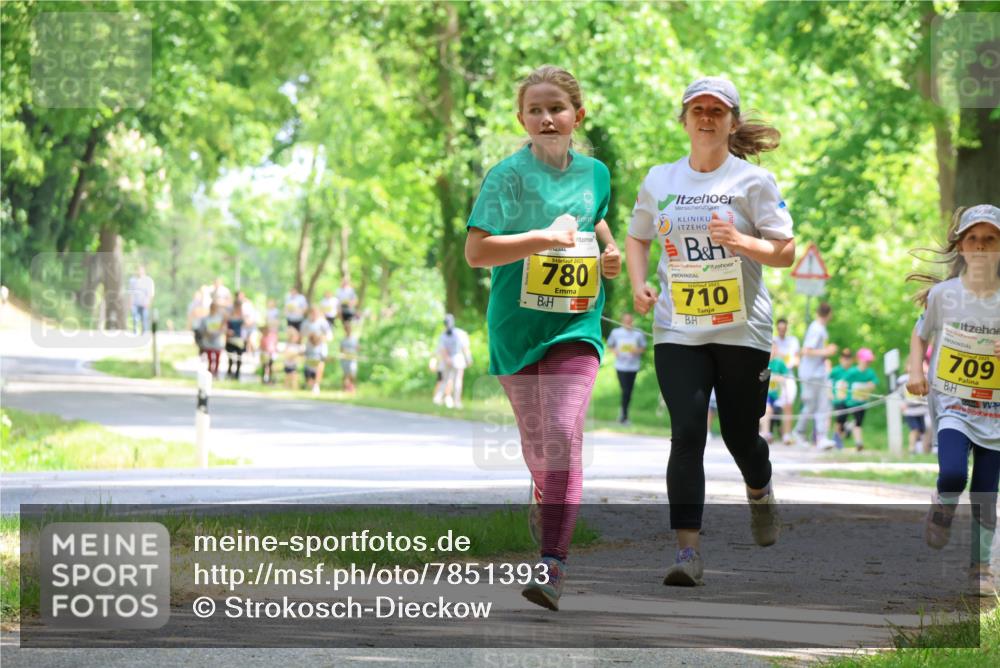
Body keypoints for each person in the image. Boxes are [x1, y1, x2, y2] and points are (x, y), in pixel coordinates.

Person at [626, 76, 794, 587]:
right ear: (684, 119)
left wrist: (742, 241)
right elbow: (637, 238)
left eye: (717, 111)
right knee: (687, 430)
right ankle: (687, 552)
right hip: (678, 326)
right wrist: (639, 285)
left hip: (743, 328)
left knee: (740, 433)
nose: (706, 117)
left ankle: (760, 488)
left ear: (732, 122)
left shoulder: (753, 182)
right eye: (697, 109)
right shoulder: (660, 179)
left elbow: (785, 251)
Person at [465, 65, 620, 610]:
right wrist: (540, 239)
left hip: (575, 325)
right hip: (515, 328)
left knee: (561, 433)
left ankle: (552, 564)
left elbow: (593, 216)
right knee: (540, 448)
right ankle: (542, 490)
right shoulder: (506, 177)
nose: (547, 117)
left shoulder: (597, 173)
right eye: (536, 109)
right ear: (522, 119)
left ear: (578, 115)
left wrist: (609, 249)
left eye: (557, 107)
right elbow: (477, 252)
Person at [906, 204, 1000, 596]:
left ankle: (981, 569)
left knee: (985, 492)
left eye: (990, 239)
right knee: (953, 474)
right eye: (972, 238)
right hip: (953, 403)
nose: (980, 246)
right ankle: (943, 505)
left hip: (995, 410)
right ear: (960, 246)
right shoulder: (944, 295)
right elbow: (920, 335)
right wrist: (916, 372)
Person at [793, 302, 838, 448]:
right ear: (829, 313)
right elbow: (806, 350)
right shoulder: (816, 328)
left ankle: (821, 437)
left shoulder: (821, 328)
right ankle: (799, 433)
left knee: (822, 405)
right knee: (811, 405)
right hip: (811, 373)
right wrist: (827, 351)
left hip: (819, 372)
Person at [606, 313, 647, 425]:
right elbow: (610, 345)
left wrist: (636, 351)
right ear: (622, 321)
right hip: (621, 366)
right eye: (626, 321)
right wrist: (615, 352)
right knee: (625, 390)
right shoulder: (616, 333)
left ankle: (624, 415)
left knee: (628, 391)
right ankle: (623, 415)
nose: (628, 323)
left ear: (632, 321)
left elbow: (643, 347)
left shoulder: (638, 333)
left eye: (630, 321)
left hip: (633, 366)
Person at [435, 314, 472, 409]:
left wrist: (448, 359)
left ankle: (451, 400)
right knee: (452, 380)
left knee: (450, 381)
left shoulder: (452, 334)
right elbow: (465, 349)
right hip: (455, 360)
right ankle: (450, 400)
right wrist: (468, 359)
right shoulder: (457, 333)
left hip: (455, 359)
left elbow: (464, 348)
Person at [845, 347, 878, 451]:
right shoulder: (852, 372)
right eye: (865, 360)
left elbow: (873, 384)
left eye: (868, 361)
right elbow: (843, 383)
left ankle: (849, 427)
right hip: (851, 401)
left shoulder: (870, 373)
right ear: (859, 360)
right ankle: (859, 442)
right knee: (858, 421)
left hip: (862, 401)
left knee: (858, 421)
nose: (867, 363)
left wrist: (868, 385)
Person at [773, 318, 800, 444]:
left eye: (784, 328)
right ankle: (770, 432)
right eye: (779, 328)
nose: (782, 331)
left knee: (788, 404)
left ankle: (787, 434)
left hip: (787, 375)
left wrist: (787, 362)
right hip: (774, 376)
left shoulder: (793, 341)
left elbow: (796, 360)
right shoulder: (773, 341)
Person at [760, 343, 789, 443]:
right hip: (766, 394)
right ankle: (765, 433)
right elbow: (762, 378)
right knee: (767, 410)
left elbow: (786, 377)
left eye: (774, 350)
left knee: (785, 408)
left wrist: (780, 378)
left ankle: (786, 435)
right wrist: (771, 375)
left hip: (777, 395)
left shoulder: (779, 363)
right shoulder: (763, 362)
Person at [301, 306, 332, 394]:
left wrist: (320, 338)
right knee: (309, 369)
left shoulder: (323, 323)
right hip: (309, 349)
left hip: (320, 349)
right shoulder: (306, 322)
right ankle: (310, 384)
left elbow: (329, 336)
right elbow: (302, 334)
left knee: (319, 367)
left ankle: (316, 385)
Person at [830, 348, 854, 450]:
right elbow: (828, 382)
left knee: (845, 421)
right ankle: (836, 439)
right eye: (844, 358)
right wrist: (830, 394)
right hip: (838, 399)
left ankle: (842, 435)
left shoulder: (853, 371)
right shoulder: (835, 371)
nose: (846, 360)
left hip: (850, 400)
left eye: (848, 358)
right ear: (841, 359)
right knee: (839, 420)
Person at [198, 301, 225, 379]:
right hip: (208, 341)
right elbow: (201, 330)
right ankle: (210, 372)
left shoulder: (220, 318)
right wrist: (206, 333)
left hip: (217, 341)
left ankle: (216, 372)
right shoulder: (205, 319)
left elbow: (223, 328)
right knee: (210, 357)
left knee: (217, 358)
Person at [128, 266, 155, 334]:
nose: (139, 272)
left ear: (144, 271)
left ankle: (144, 333)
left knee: (144, 319)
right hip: (135, 303)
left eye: (141, 270)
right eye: (138, 270)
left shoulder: (148, 280)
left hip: (144, 304)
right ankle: (135, 331)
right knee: (134, 317)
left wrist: (149, 303)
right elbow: (131, 293)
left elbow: (151, 293)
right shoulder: (133, 280)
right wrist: (130, 303)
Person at [224, 300, 247, 381]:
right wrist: (228, 331)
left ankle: (237, 373)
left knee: (239, 357)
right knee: (230, 357)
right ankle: (229, 372)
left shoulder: (242, 317)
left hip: (239, 339)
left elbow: (246, 327)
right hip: (231, 339)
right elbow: (224, 326)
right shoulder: (229, 317)